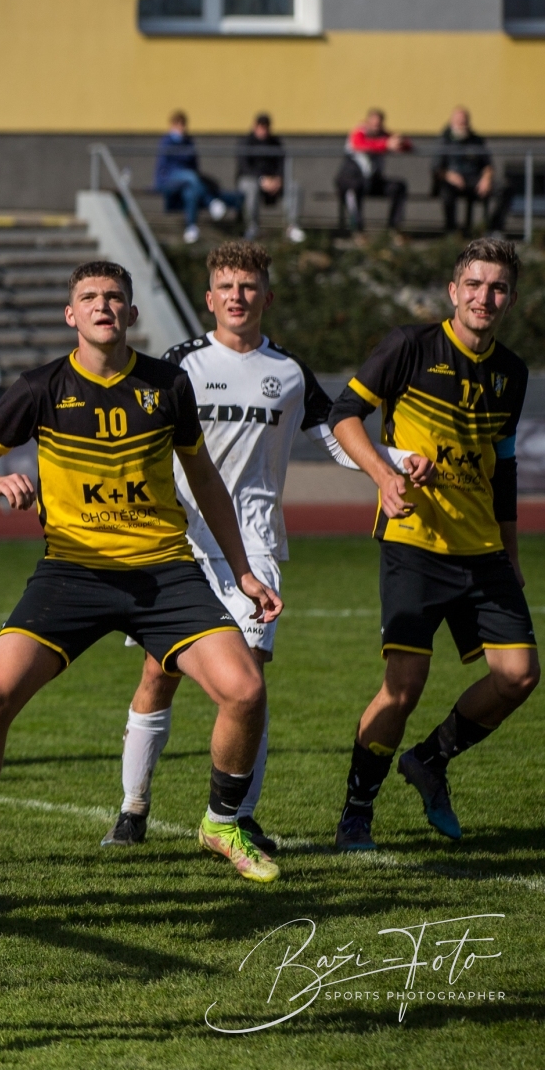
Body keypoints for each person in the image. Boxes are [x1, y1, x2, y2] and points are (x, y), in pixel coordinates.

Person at [0, 261, 283, 890]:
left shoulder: (167, 384)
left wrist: (243, 572)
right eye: (89, 297)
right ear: (71, 314)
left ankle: (221, 824)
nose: (102, 305)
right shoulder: (40, 387)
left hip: (165, 572)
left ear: (131, 313)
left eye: (114, 297)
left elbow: (206, 481)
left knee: (245, 690)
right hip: (72, 572)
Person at [101, 240, 427, 854]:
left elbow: (336, 438)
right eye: (226, 286)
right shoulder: (181, 365)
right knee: (158, 672)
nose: (237, 296)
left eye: (248, 286)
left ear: (267, 297)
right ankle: (132, 808)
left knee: (249, 680)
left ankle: (236, 815)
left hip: (255, 547)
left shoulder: (290, 372)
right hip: (180, 543)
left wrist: (395, 459)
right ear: (209, 298)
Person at [326, 238, 535, 851]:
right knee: (404, 685)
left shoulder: (513, 373)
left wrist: (511, 552)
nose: (484, 297)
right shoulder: (409, 346)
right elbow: (343, 415)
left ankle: (430, 759)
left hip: (483, 550)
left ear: (510, 299)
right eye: (474, 284)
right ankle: (356, 813)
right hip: (415, 542)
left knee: (519, 676)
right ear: (453, 291)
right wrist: (384, 474)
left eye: (497, 288)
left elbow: (503, 467)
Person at [155, 110, 239, 245]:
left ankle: (191, 227)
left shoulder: (188, 142)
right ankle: (211, 203)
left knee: (190, 192)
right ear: (172, 125)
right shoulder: (167, 141)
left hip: (188, 182)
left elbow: (194, 163)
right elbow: (167, 165)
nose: (181, 127)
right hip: (169, 178)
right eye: (177, 124)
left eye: (183, 124)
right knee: (191, 177)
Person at [435, 107, 510, 238]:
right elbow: (436, 168)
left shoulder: (476, 140)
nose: (462, 125)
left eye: (465, 122)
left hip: (475, 180)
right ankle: (451, 231)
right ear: (452, 122)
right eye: (459, 122)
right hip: (452, 182)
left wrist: (486, 179)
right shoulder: (444, 140)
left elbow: (488, 165)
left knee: (504, 188)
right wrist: (450, 175)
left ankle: (494, 228)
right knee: (446, 191)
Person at [336, 108, 410, 236]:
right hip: (350, 179)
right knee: (354, 188)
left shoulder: (383, 136)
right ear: (368, 122)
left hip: (372, 181)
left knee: (398, 187)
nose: (376, 127)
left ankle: (394, 229)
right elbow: (359, 144)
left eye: (379, 124)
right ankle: (358, 231)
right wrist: (386, 144)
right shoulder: (359, 132)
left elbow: (407, 145)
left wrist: (400, 142)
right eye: (373, 124)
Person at [234, 113, 304, 243]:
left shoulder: (275, 142)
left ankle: (292, 227)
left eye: (266, 127)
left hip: (274, 182)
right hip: (254, 181)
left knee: (294, 188)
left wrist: (279, 179)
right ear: (255, 126)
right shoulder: (246, 142)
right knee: (249, 188)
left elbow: (282, 163)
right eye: (261, 126)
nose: (263, 130)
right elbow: (244, 167)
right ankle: (252, 227)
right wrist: (261, 180)